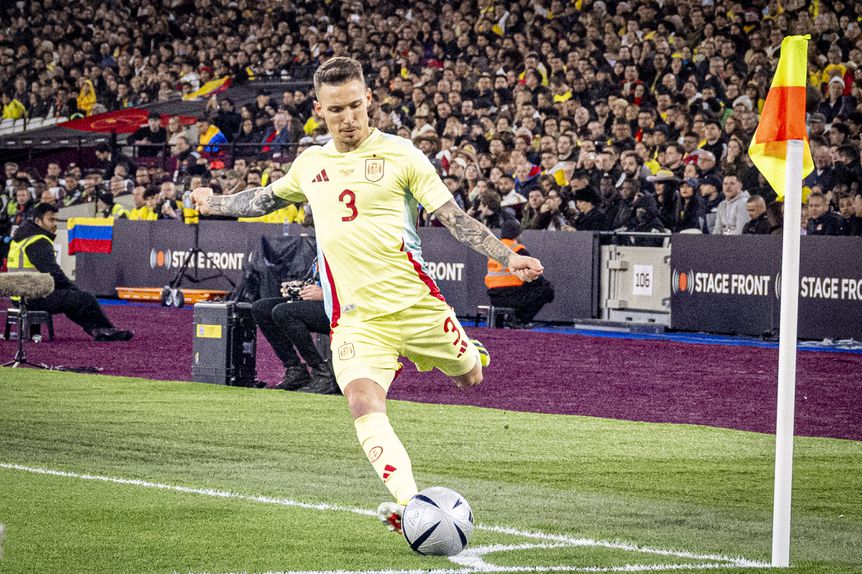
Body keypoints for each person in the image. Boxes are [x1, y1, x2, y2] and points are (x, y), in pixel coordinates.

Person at [191, 57, 543, 534]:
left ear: (369, 100)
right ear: (319, 110)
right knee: (360, 401)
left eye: (355, 106)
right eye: (336, 110)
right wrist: (214, 203)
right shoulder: (311, 163)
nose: (348, 118)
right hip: (357, 320)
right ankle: (411, 505)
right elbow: (264, 199)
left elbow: (455, 219)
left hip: (416, 305)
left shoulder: (402, 155)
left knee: (470, 379)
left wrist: (506, 256)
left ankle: (469, 350)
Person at [7, 203, 133, 341]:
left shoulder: (21, 237)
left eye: (56, 220)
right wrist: (75, 290)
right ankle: (106, 330)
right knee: (85, 299)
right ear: (38, 221)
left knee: (72, 299)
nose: (54, 224)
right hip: (33, 297)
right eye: (51, 220)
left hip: (18, 296)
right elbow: (54, 274)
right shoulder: (39, 241)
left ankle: (98, 330)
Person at [250, 262, 339, 394]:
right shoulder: (321, 253)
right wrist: (301, 289)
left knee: (283, 312)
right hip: (325, 303)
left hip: (341, 309)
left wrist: (325, 294)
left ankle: (323, 373)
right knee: (261, 308)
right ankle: (295, 369)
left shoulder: (347, 252)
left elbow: (358, 288)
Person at [484, 220, 554, 327]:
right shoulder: (517, 249)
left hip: (493, 296)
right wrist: (548, 286)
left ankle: (511, 320)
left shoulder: (495, 249)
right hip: (512, 294)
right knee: (546, 291)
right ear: (516, 235)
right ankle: (520, 320)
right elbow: (533, 272)